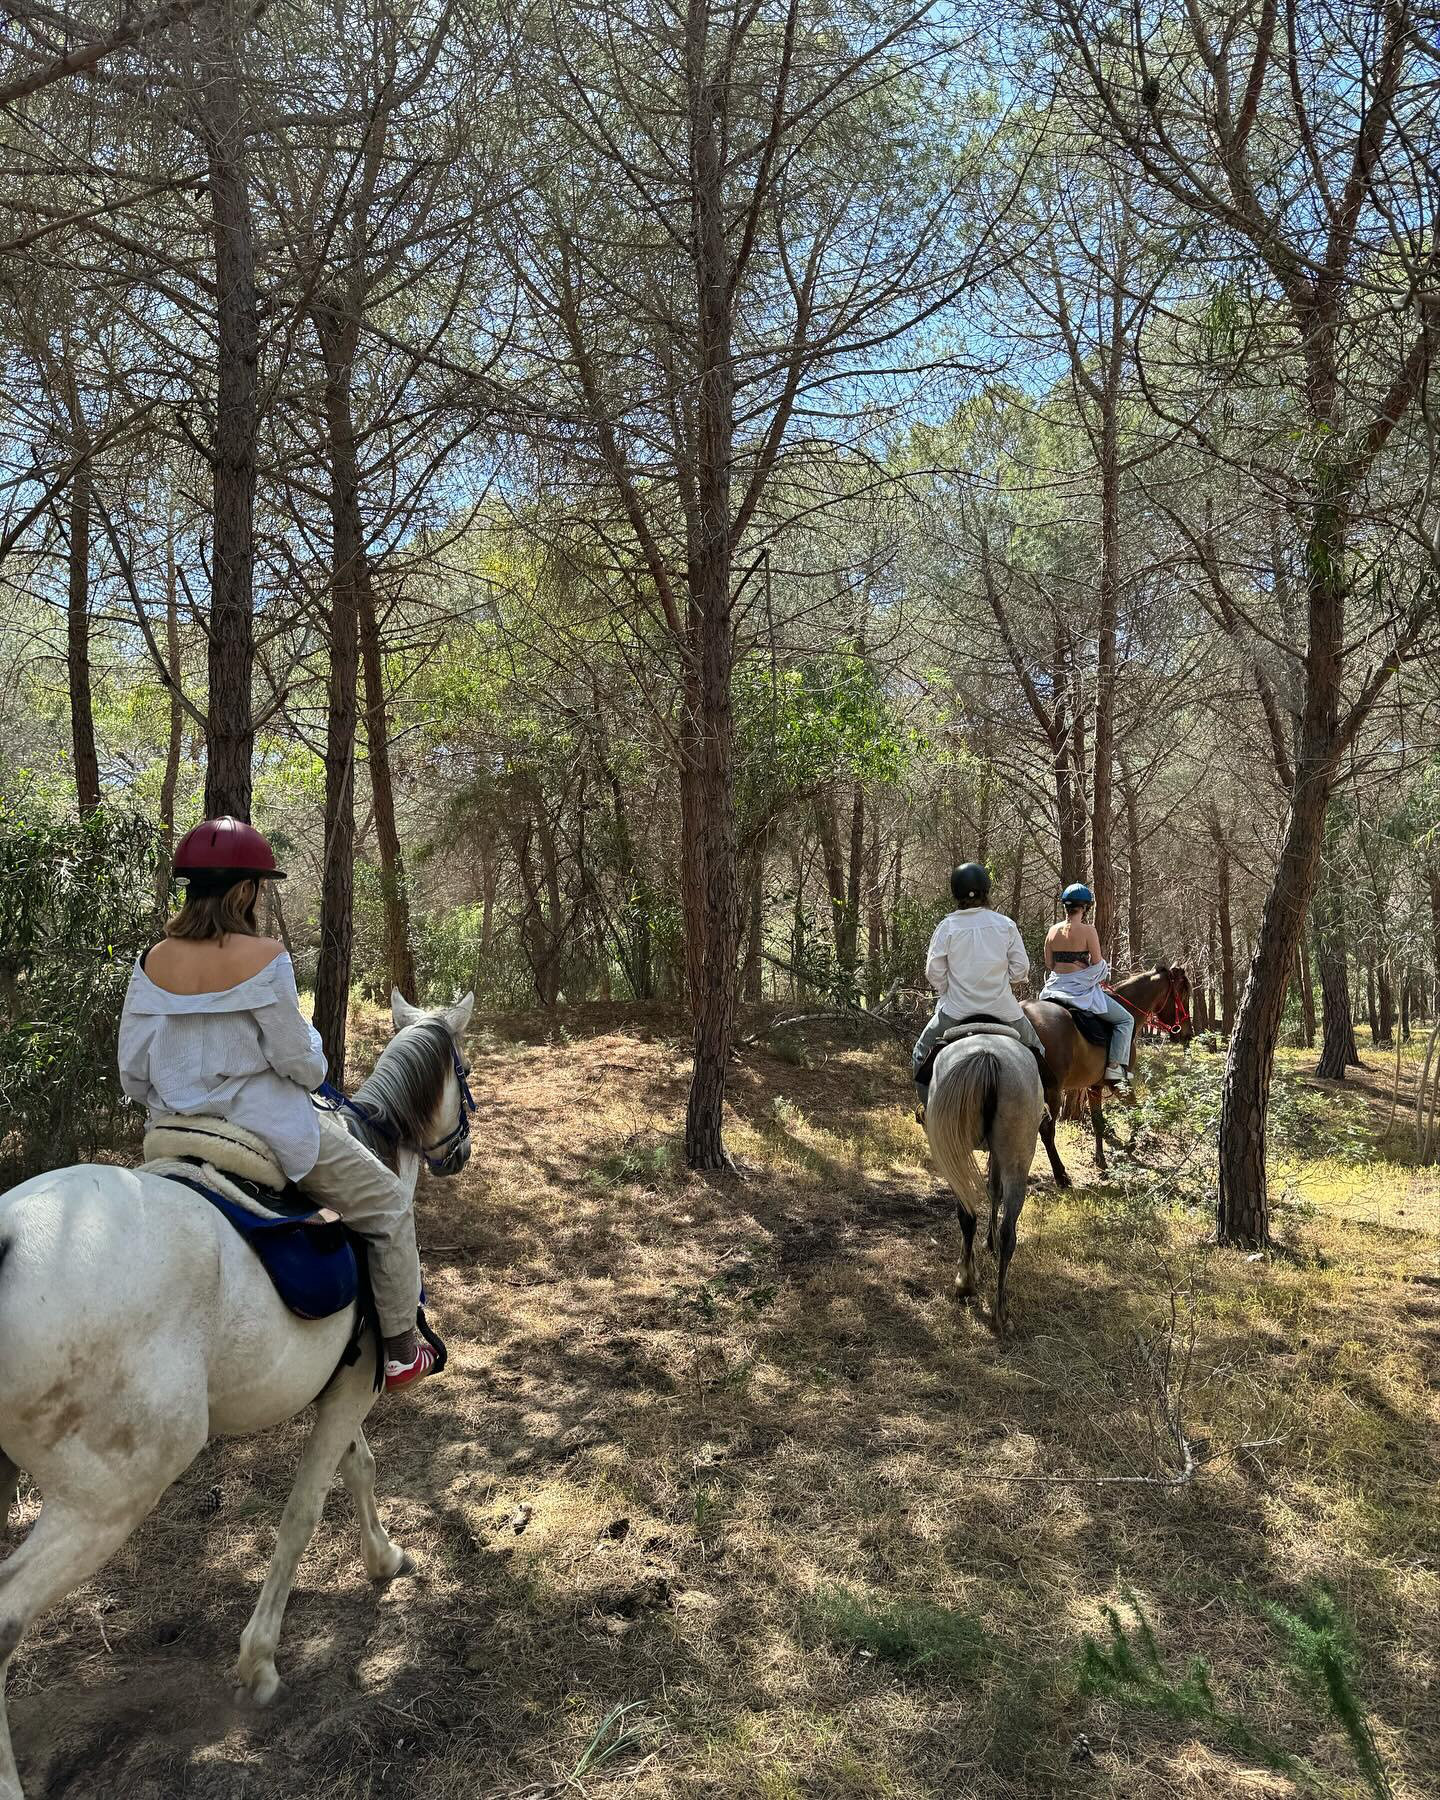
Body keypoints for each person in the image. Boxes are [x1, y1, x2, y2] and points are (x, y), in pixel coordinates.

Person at [118, 817, 440, 1391]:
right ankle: (400, 1351)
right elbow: (302, 1065)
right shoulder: (266, 956)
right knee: (390, 1204)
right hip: (262, 1129)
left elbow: (131, 1073)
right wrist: (312, 1054)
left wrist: (181, 1094)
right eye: (259, 888)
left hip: (171, 1129)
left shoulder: (152, 961)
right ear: (245, 890)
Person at [911, 862, 1048, 1114]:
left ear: (956, 893)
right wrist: (1003, 980)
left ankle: (928, 1110)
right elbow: (1021, 969)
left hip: (956, 1011)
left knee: (921, 1053)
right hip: (1004, 1011)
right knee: (1038, 1051)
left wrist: (947, 989)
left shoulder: (947, 927)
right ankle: (1041, 1108)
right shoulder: (1005, 924)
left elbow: (933, 971)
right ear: (986, 891)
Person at [1038, 881, 1135, 1091]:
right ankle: (1115, 1071)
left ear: (1065, 906)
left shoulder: (1052, 931)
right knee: (1126, 1020)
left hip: (1053, 990)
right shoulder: (1088, 931)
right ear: (1085, 907)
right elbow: (1098, 964)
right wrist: (1084, 969)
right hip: (1079, 992)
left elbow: (1050, 964)